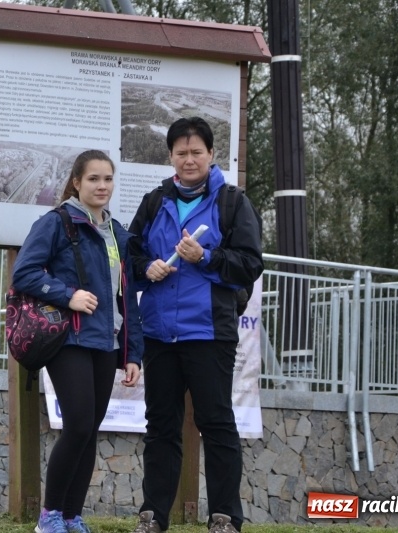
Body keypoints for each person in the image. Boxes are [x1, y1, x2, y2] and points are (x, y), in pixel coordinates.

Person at [127, 117, 263, 533]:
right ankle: (153, 515)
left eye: (196, 152)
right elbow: (128, 257)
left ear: (211, 155)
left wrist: (204, 258)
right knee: (161, 428)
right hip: (159, 335)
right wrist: (145, 267)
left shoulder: (232, 202)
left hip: (209, 334)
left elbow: (250, 265)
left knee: (217, 423)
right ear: (170, 156)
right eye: (181, 153)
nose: (189, 160)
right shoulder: (153, 202)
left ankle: (224, 517)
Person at [12, 149, 143, 533]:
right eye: (93, 179)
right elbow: (25, 273)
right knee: (79, 425)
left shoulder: (116, 232)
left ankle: (71, 516)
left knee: (89, 431)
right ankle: (49, 516)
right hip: (69, 340)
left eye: (107, 179)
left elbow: (126, 296)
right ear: (76, 182)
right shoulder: (57, 223)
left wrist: (133, 352)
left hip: (107, 343)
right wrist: (67, 294)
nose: (102, 186)